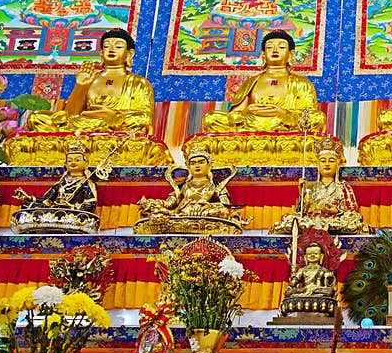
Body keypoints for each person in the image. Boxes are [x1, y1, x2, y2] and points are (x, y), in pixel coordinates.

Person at [26, 28, 155, 134]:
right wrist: (81, 86)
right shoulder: (92, 78)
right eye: (106, 46)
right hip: (83, 126)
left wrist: (116, 119)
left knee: (140, 127)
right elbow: (69, 115)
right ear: (101, 53)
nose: (111, 50)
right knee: (36, 118)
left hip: (116, 131)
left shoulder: (138, 82)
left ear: (129, 54)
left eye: (118, 46)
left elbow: (145, 119)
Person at [201, 30, 323, 133]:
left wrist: (283, 112)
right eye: (269, 47)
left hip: (284, 125)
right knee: (210, 119)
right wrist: (248, 110)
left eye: (281, 47)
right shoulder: (251, 82)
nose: (275, 50)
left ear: (291, 54)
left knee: (318, 118)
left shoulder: (302, 83)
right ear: (263, 55)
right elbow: (234, 115)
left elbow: (309, 114)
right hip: (252, 124)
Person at [269, 135, 369, 235]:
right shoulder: (310, 186)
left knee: (353, 223)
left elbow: (353, 213)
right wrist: (302, 194)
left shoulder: (343, 187)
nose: (327, 164)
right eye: (323, 160)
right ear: (318, 164)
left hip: (336, 222)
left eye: (331, 161)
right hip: (311, 221)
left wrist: (336, 211)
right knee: (289, 218)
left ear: (338, 164)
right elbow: (301, 213)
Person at [136, 146, 236, 221]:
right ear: (188, 167)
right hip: (183, 213)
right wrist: (155, 203)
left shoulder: (217, 186)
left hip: (206, 214)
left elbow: (225, 205)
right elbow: (169, 204)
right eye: (193, 163)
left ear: (209, 165)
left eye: (201, 162)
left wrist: (209, 206)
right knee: (158, 213)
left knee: (223, 212)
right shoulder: (183, 186)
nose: (197, 165)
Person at [13, 140, 97, 213]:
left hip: (72, 212)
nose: (73, 163)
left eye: (77, 160)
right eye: (69, 160)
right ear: (65, 165)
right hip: (55, 209)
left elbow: (91, 204)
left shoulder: (87, 184)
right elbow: (45, 200)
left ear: (86, 164)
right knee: (27, 206)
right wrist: (28, 197)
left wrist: (71, 207)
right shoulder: (60, 184)